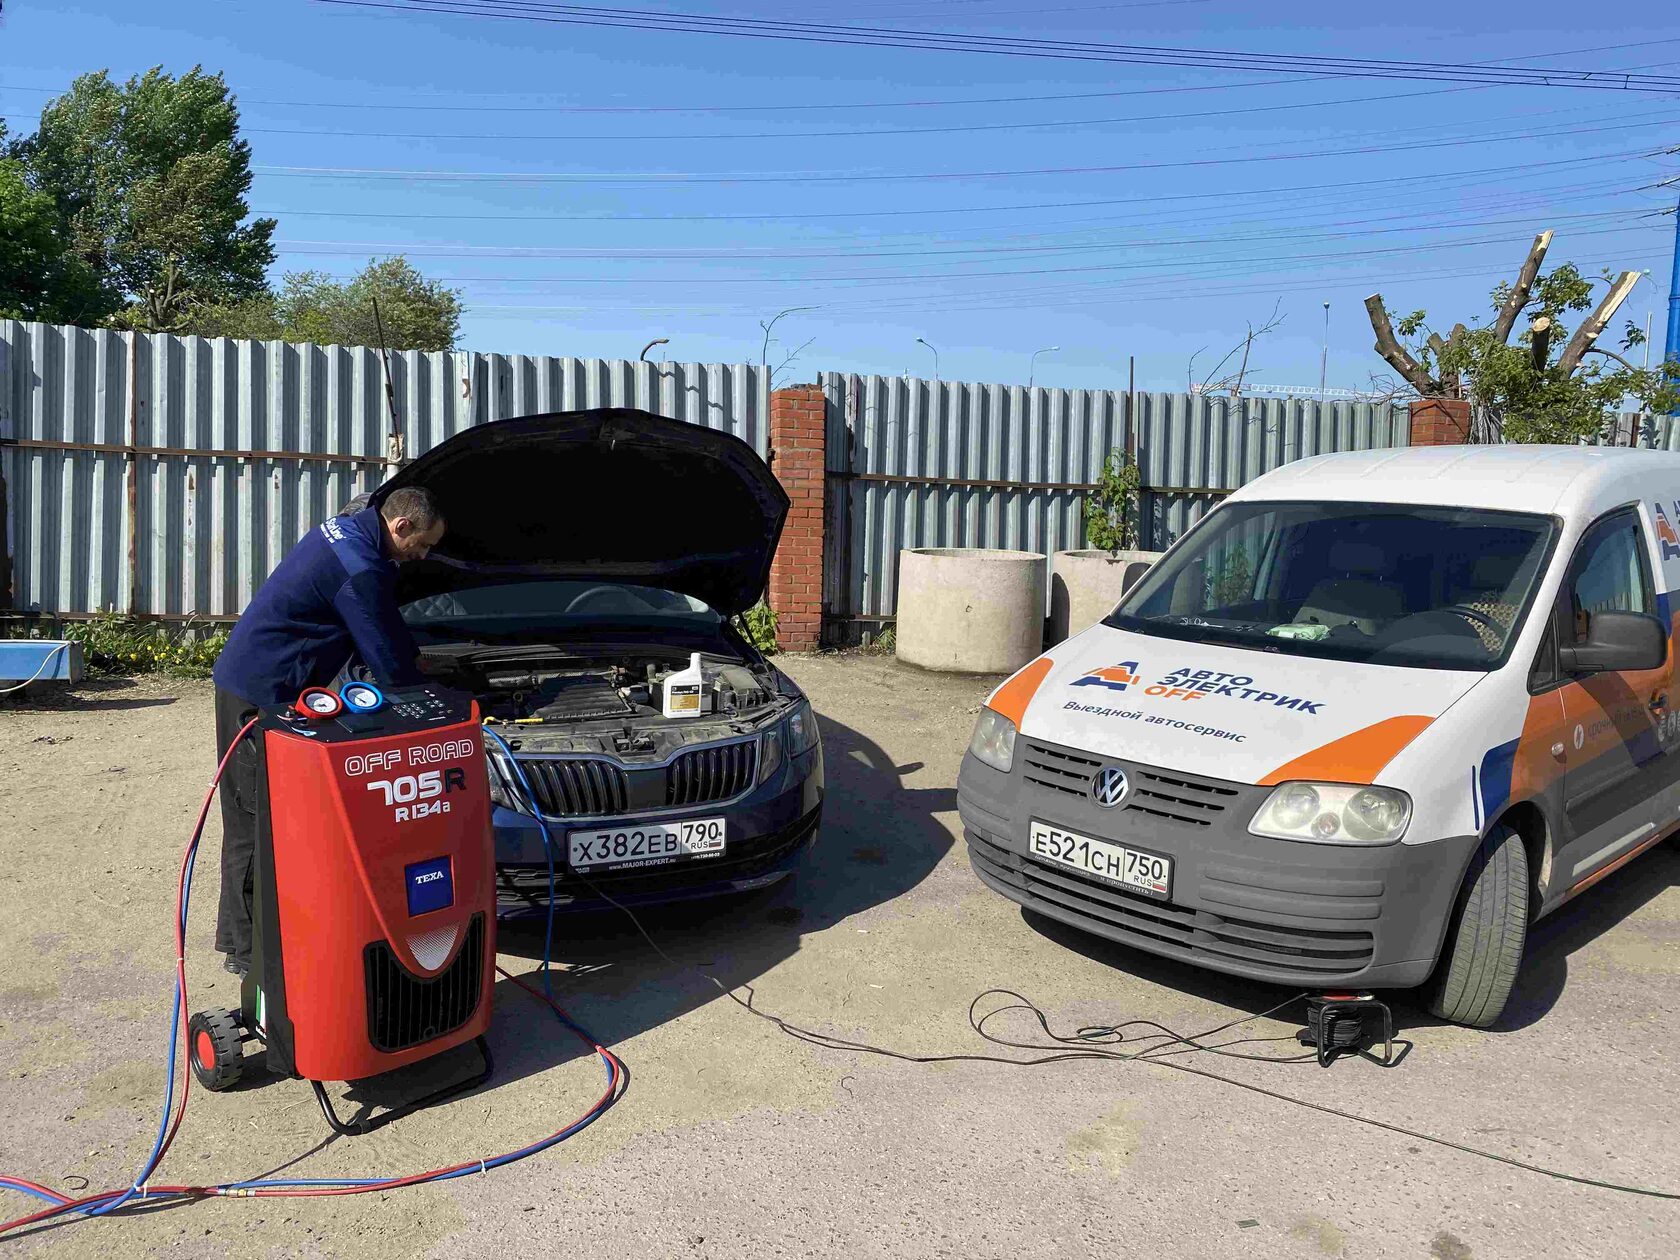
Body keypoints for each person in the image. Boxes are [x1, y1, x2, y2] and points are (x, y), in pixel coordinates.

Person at [210, 486, 447, 976]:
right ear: (400, 526)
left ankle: (272, 929)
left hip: (277, 686)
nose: (422, 556)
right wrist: (430, 694)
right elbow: (384, 657)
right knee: (252, 819)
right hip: (256, 692)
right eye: (421, 545)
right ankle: (246, 950)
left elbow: (383, 620)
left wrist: (414, 653)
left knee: (281, 816)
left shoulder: (356, 531)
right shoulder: (359, 565)